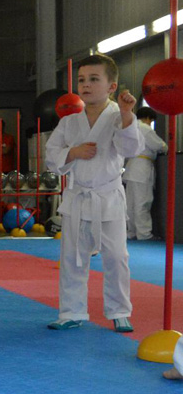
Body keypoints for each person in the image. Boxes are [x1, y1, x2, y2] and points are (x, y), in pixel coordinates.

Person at [45, 54, 140, 333]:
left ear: (112, 86)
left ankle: (119, 310)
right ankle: (71, 311)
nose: (86, 85)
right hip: (77, 198)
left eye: (94, 79)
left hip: (108, 198)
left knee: (117, 258)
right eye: (82, 80)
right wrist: (73, 152)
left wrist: (127, 115)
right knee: (72, 258)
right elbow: (51, 156)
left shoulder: (118, 117)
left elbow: (131, 149)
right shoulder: (69, 122)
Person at [124, 106, 166, 241]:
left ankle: (131, 232)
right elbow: (159, 145)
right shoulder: (145, 128)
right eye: (151, 121)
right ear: (148, 118)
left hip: (131, 168)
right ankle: (144, 234)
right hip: (142, 169)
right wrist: (166, 148)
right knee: (142, 202)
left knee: (130, 204)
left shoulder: (130, 127)